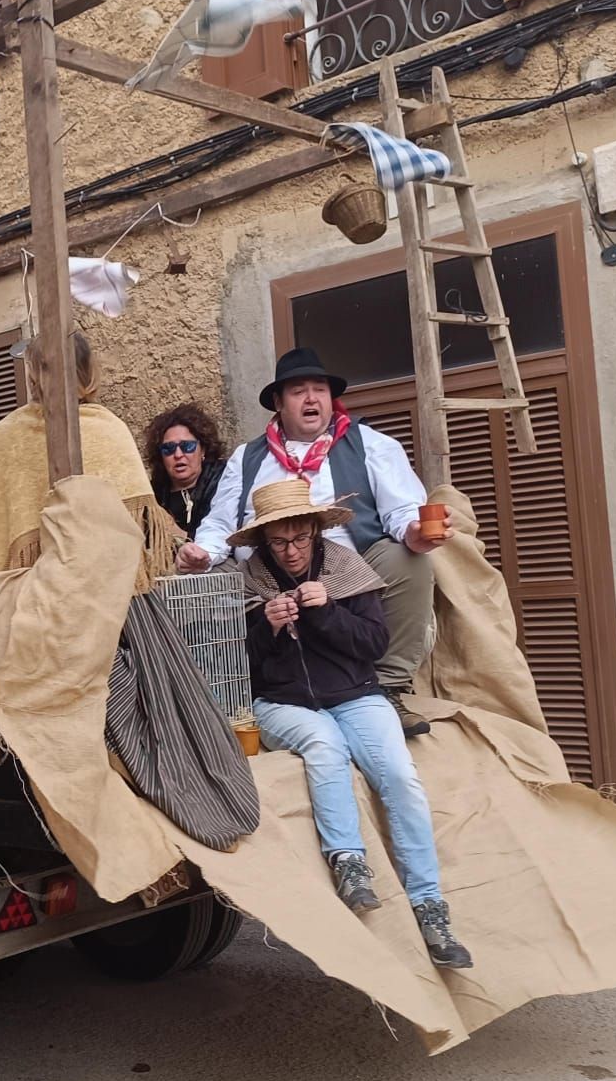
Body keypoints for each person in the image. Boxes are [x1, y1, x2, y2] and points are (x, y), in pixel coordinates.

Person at [0, 331, 257, 850]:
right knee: (144, 703)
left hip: (62, 606)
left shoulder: (17, 436)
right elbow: (138, 539)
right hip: (103, 601)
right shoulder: (88, 430)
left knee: (112, 701)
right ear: (91, 374)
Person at [236, 478, 472, 969]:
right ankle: (350, 863)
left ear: (316, 532)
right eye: (279, 542)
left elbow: (372, 647)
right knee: (325, 746)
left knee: (399, 775)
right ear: (263, 542)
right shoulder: (250, 578)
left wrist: (325, 614)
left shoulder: (347, 569)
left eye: (300, 538)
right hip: (282, 703)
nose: (292, 551)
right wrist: (268, 628)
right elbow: (241, 668)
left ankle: (430, 905)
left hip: (356, 695)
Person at [179, 348, 445, 737]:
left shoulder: (372, 444)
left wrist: (415, 533)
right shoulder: (246, 458)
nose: (311, 399)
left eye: (319, 390)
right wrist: (202, 553)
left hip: (345, 571)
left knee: (408, 559)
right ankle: (229, 692)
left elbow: (402, 509)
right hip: (263, 574)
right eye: (298, 391)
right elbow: (220, 522)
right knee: (205, 577)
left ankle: (388, 686)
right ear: (278, 403)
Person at [0, 332, 178, 585]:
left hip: (34, 593)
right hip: (107, 590)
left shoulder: (7, 435)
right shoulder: (110, 428)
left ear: (33, 376)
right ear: (89, 371)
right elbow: (142, 529)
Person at [143, 402, 228, 538]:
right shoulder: (153, 495)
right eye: (168, 448)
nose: (178, 454)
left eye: (187, 446)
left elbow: (227, 535)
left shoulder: (224, 484)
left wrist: (182, 535)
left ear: (203, 450)